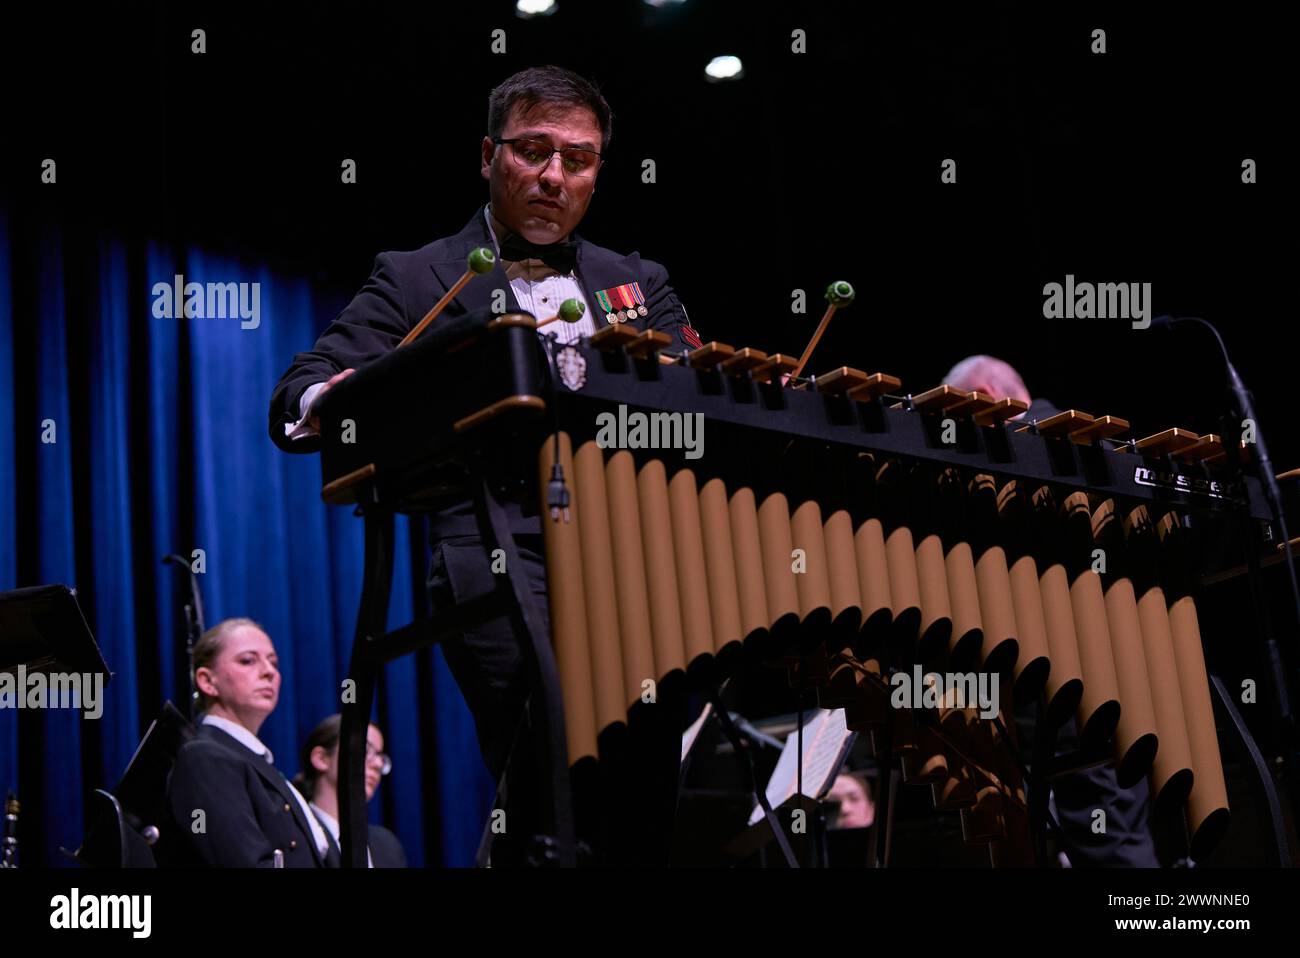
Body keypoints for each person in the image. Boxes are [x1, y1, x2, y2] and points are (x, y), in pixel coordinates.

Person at [268, 66, 701, 793]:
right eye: (532, 150)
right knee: (547, 764)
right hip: (498, 545)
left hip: (635, 546)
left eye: (578, 158)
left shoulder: (637, 280)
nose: (554, 175)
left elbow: (695, 391)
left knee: (646, 777)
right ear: (487, 156)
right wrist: (331, 395)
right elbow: (299, 391)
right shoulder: (416, 276)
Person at [944, 354, 1160, 867]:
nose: (955, 429)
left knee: (1107, 837)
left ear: (992, 392)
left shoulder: (1053, 443)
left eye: (959, 413)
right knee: (1087, 834)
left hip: (1087, 676)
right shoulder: (1037, 450)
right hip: (1062, 677)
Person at [161, 618, 333, 868]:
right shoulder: (206, 757)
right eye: (248, 660)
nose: (269, 671)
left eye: (273, 662)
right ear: (207, 681)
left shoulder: (253, 760)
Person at [293, 714, 407, 868]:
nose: (378, 764)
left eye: (380, 756)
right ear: (321, 759)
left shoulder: (387, 845)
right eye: (365, 750)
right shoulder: (296, 833)